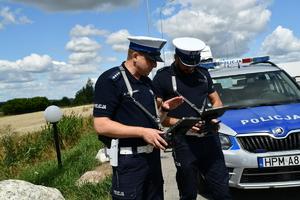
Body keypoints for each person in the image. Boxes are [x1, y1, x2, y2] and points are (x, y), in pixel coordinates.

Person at [93, 36, 184, 200]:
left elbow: (153, 119)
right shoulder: (110, 81)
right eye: (151, 60)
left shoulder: (147, 83)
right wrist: (142, 132)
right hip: (129, 161)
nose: (155, 65)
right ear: (135, 56)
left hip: (152, 160)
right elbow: (101, 125)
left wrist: (163, 109)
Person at [153, 37, 232, 200]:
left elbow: (216, 100)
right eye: (186, 64)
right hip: (184, 143)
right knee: (188, 192)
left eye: (194, 63)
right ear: (176, 57)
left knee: (222, 191)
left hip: (210, 140)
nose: (191, 68)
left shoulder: (203, 74)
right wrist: (185, 125)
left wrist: (214, 116)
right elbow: (157, 117)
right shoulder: (162, 78)